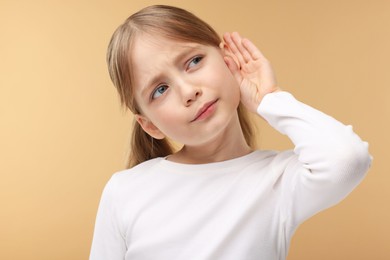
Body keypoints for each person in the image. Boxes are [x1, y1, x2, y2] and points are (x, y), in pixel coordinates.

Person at [90, 5, 371, 260]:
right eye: (160, 90)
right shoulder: (124, 191)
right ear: (150, 125)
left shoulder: (277, 180)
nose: (189, 91)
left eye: (194, 61)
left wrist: (270, 99)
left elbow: (347, 159)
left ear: (228, 58)